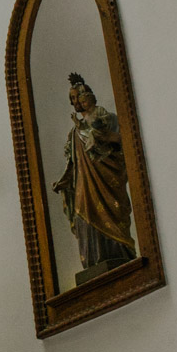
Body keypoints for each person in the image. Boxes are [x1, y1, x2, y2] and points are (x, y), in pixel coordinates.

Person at [51, 73, 135, 274]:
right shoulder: (74, 133)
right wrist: (63, 181)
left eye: (79, 96)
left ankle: (119, 253)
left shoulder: (107, 119)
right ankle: (93, 261)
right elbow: (73, 162)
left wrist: (100, 136)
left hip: (107, 179)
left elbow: (123, 141)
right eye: (73, 99)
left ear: (90, 96)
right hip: (84, 184)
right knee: (83, 216)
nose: (76, 102)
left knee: (110, 214)